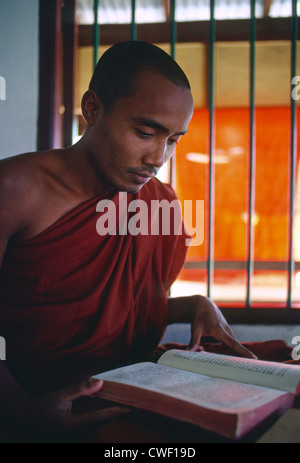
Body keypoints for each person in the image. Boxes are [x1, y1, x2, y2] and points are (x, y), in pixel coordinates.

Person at [0, 41, 255, 441]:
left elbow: (118, 311)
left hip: (128, 379)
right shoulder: (14, 190)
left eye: (173, 140)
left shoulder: (160, 203)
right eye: (145, 132)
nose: (159, 157)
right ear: (93, 109)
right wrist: (21, 415)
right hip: (40, 392)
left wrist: (193, 305)